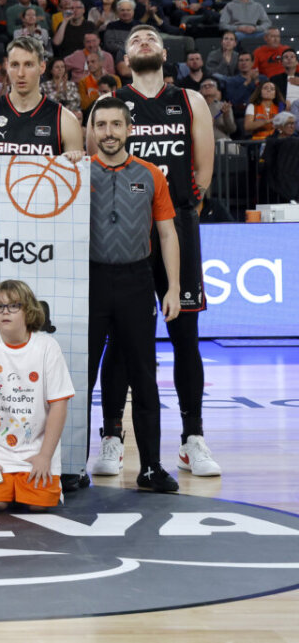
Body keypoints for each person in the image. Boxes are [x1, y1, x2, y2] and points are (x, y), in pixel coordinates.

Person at [107, 25, 219, 479]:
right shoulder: (112, 106)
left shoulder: (189, 101)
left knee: (185, 336)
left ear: (165, 50)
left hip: (178, 225)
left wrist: (178, 209)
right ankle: (112, 437)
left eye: (151, 36)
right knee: (119, 338)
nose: (145, 41)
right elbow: (102, 163)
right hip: (125, 232)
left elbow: (203, 173)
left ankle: (193, 438)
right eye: (135, 39)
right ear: (125, 58)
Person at [87, 97, 181, 493]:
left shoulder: (150, 175)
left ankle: (151, 467)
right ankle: (72, 466)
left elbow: (167, 233)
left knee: (144, 377)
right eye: (101, 125)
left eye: (115, 125)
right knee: (80, 377)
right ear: (92, 130)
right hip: (89, 282)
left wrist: (173, 287)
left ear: (129, 129)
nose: (108, 132)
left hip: (136, 282)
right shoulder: (75, 172)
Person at [0, 280, 74, 512]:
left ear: (28, 310)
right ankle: (10, 484)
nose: (5, 312)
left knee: (38, 506)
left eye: (13, 306)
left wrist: (45, 456)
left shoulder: (47, 346)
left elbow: (59, 406)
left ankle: (36, 484)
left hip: (37, 450)